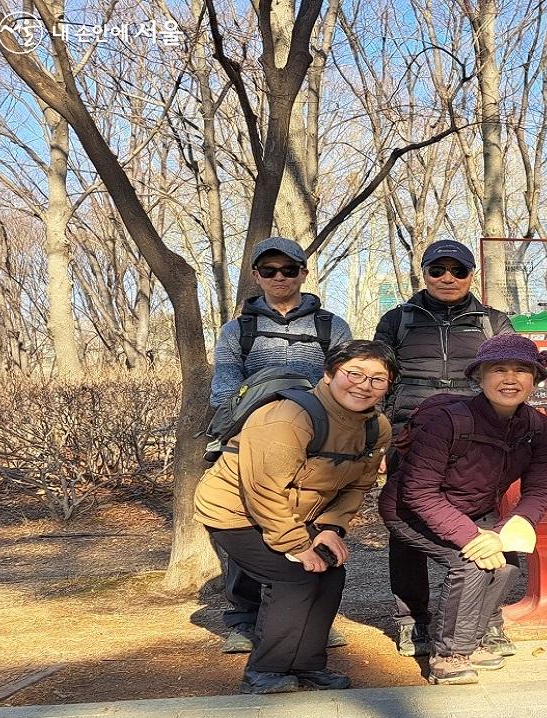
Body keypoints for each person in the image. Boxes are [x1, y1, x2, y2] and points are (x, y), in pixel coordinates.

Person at [195, 340, 395, 694]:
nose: (364, 385)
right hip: (235, 510)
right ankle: (265, 671)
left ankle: (308, 665)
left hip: (298, 510)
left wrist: (331, 528)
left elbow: (358, 485)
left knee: (331, 571)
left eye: (378, 379)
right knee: (293, 576)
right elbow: (264, 488)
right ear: (330, 373)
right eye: (354, 373)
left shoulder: (375, 427)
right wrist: (296, 544)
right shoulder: (289, 416)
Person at [378, 334, 547, 685]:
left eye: (522, 370)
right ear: (479, 377)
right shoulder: (448, 421)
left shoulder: (536, 425)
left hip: (475, 509)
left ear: (534, 380)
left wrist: (511, 527)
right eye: (498, 369)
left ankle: (473, 643)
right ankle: (449, 655)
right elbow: (418, 490)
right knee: (471, 564)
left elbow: (542, 485)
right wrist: (472, 537)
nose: (510, 379)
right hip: (409, 510)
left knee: (503, 565)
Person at [210, 236, 353, 654]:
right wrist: (239, 435)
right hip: (251, 442)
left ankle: (312, 618)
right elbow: (224, 389)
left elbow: (345, 383)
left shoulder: (331, 326)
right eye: (269, 270)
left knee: (310, 521)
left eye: (288, 270)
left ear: (303, 274)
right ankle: (244, 618)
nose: (279, 277)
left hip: (316, 440)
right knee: (248, 523)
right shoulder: (238, 329)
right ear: (256, 276)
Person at [373, 239, 515, 658]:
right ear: (425, 274)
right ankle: (410, 620)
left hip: (479, 438)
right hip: (409, 438)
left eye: (458, 270)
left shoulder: (494, 322)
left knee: (485, 523)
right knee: (406, 530)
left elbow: (511, 375)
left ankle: (487, 620)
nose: (448, 278)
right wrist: (379, 437)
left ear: (472, 274)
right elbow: (380, 380)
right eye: (438, 270)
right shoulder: (397, 320)